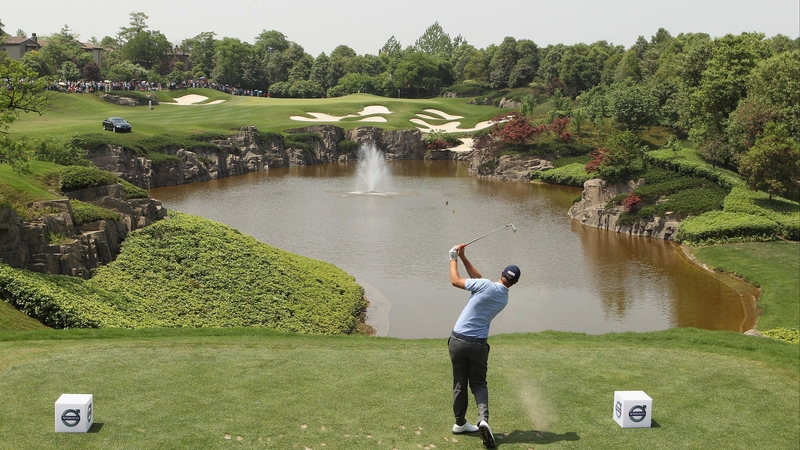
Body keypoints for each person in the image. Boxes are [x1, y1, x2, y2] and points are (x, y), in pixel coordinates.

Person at [447, 243, 520, 448]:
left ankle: (460, 423)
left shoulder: (485, 285)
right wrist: (463, 257)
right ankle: (483, 420)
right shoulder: (503, 298)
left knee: (460, 383)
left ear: (501, 273)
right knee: (478, 383)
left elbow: (455, 281)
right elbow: (478, 279)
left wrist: (452, 256)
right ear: (514, 283)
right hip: (478, 345)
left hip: (457, 340)